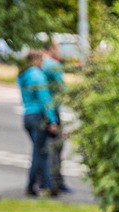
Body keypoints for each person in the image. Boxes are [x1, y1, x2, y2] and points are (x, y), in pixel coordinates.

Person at [17, 50, 59, 197]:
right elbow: (45, 100)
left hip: (27, 115)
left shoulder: (24, 75)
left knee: (39, 151)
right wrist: (52, 120)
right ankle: (35, 185)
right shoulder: (38, 75)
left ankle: (43, 184)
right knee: (39, 152)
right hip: (38, 116)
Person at [42, 39, 72, 193]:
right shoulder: (52, 66)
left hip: (43, 111)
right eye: (58, 47)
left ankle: (46, 181)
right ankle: (55, 182)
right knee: (57, 146)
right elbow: (63, 88)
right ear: (51, 49)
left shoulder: (40, 65)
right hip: (52, 110)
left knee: (44, 147)